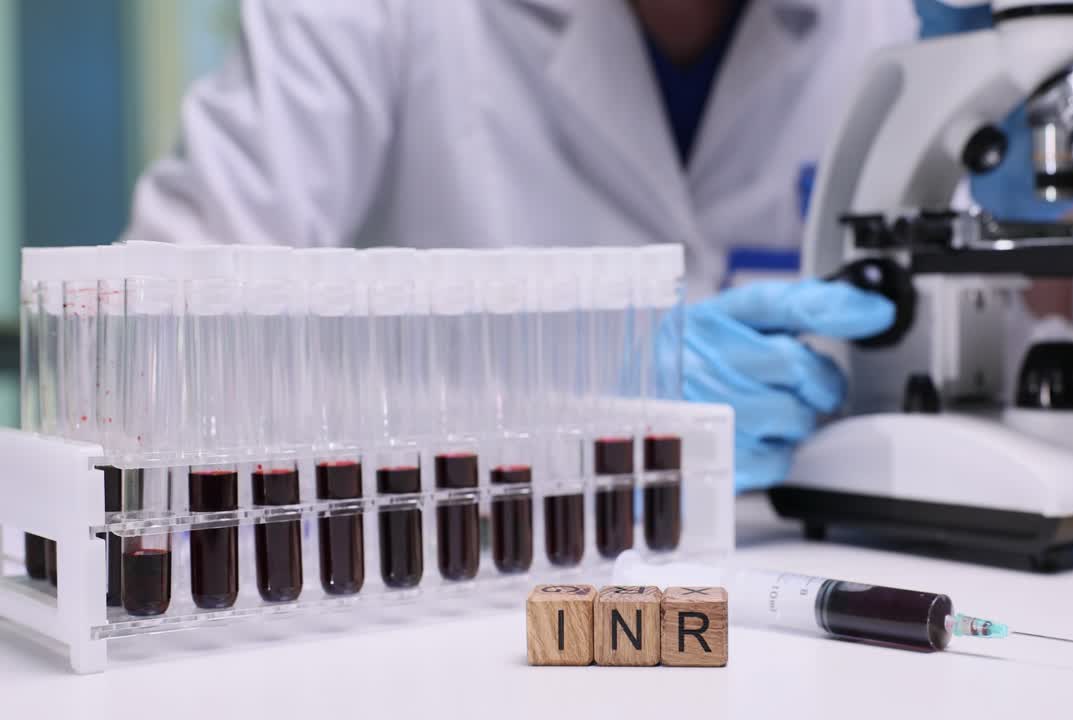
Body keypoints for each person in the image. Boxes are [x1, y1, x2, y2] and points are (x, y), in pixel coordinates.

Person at [122, 1, 969, 491]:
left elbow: (999, 340)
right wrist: (555, 402)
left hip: (793, 597)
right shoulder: (369, 15)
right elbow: (149, 354)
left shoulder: (872, 22)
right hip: (456, 586)